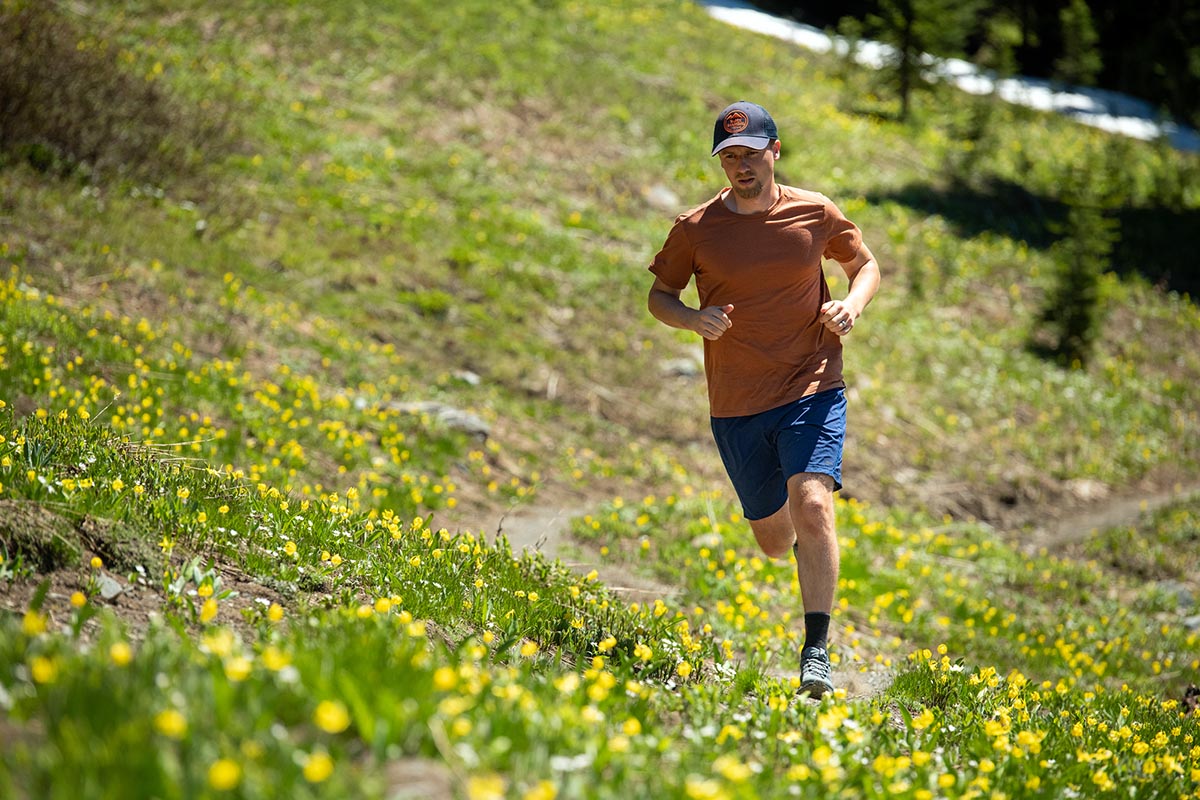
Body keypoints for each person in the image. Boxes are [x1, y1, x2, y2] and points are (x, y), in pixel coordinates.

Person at [646, 101, 881, 698]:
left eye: (751, 153)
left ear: (774, 151)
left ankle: (816, 652)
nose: (740, 166)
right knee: (777, 542)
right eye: (729, 157)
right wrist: (693, 320)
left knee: (813, 503)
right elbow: (660, 297)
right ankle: (805, 549)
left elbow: (866, 266)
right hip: (737, 401)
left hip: (812, 381)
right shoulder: (696, 229)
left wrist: (849, 307)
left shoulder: (815, 212)